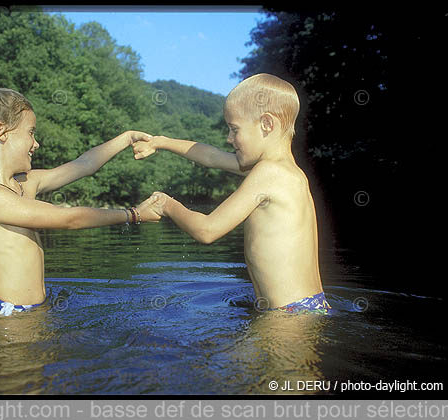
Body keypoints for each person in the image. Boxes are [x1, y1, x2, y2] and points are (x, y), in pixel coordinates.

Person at [133, 74, 330, 314]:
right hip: (308, 307)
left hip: (289, 317)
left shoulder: (268, 173)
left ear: (267, 124)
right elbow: (211, 157)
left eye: (234, 129)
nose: (229, 138)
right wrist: (162, 142)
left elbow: (207, 230)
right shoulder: (288, 173)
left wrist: (167, 205)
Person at [0, 88, 160, 316]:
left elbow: (83, 165)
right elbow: (70, 219)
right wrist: (133, 214)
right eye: (31, 132)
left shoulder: (23, 183)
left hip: (30, 311)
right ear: (1, 131)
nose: (36, 143)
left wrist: (126, 138)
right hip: (7, 315)